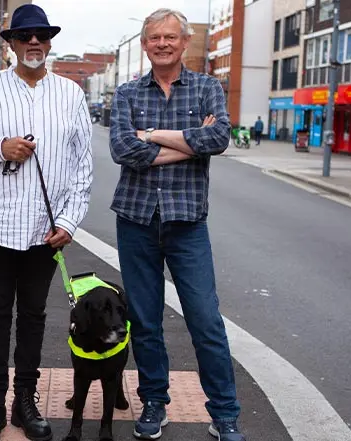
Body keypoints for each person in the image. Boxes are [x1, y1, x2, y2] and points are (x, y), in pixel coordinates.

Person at [0, 4, 92, 441]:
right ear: (10, 43)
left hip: (45, 232)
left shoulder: (71, 94)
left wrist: (68, 222)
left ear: (49, 43)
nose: (34, 42)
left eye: (42, 36)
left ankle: (24, 402)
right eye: (24, 36)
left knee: (33, 316)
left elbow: (83, 167)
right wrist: (0, 149)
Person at [109, 8, 245, 441]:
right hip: (136, 219)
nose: (162, 44)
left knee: (205, 320)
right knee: (146, 321)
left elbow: (218, 138)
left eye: (170, 37)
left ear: (185, 43)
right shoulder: (128, 92)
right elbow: (123, 150)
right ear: (146, 45)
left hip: (187, 221)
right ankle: (154, 401)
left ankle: (224, 414)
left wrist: (151, 134)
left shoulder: (207, 87)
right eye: (154, 38)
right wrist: (187, 142)